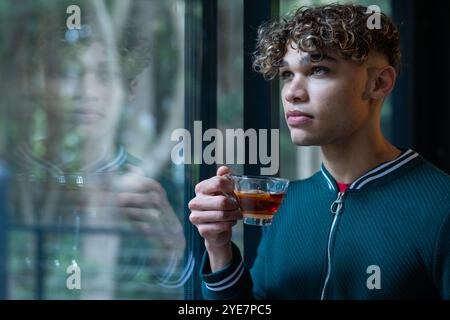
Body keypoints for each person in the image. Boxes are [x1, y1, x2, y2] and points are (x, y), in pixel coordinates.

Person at [188, 4, 450, 299]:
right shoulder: (285, 204)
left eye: (319, 69)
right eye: (287, 74)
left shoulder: (441, 207)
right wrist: (218, 246)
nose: (291, 93)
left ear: (379, 83)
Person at [2, 1, 188, 299]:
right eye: (69, 72)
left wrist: (169, 254)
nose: (85, 93)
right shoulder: (10, 178)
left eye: (104, 75)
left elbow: (189, 290)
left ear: (129, 90)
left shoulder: (160, 189)